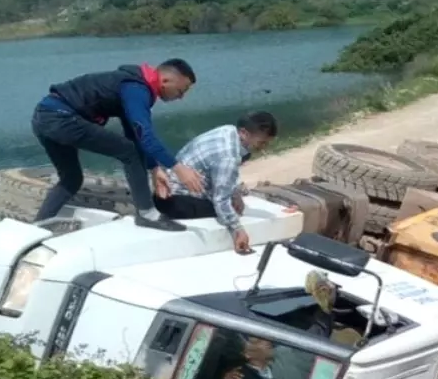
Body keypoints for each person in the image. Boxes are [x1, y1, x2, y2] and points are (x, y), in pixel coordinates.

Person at [31, 58, 206, 231]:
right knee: (129, 152)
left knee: (71, 179)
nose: (181, 97)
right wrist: (177, 167)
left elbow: (133, 132)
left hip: (43, 116)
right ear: (166, 80)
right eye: (181, 90)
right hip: (61, 118)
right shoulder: (136, 89)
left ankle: (38, 227)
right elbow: (144, 133)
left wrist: (154, 168)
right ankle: (147, 215)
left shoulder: (130, 83)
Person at [152, 112, 278, 253]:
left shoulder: (228, 131)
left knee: (230, 201)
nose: (264, 148)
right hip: (175, 201)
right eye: (261, 143)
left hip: (165, 190)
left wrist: (235, 193)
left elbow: (226, 174)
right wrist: (238, 230)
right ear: (243, 133)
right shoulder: (228, 156)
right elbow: (220, 200)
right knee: (229, 211)